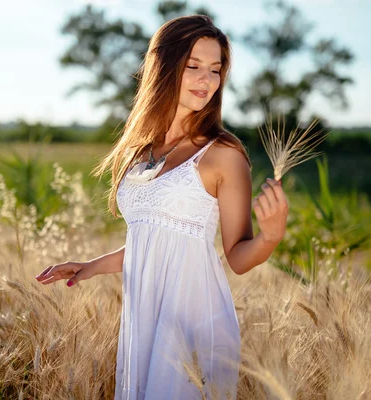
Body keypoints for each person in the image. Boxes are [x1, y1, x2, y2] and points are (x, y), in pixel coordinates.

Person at [36, 14, 288, 400]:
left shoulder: (223, 155)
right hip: (143, 319)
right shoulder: (142, 152)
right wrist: (91, 267)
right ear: (165, 67)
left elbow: (237, 257)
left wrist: (270, 237)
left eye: (216, 70)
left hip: (191, 320)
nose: (207, 79)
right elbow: (154, 239)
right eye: (194, 66)